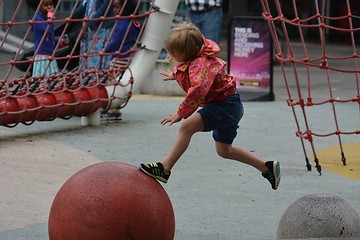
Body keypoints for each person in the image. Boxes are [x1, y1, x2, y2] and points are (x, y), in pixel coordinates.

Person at [139, 22, 281, 190]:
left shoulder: (201, 65)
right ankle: (267, 167)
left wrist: (180, 113)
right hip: (230, 105)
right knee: (224, 150)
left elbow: (198, 89)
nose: (170, 58)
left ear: (184, 53)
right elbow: (190, 69)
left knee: (186, 127)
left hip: (223, 106)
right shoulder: (200, 51)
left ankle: (165, 168)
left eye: (173, 54)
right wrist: (175, 75)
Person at [101, 0, 141, 120]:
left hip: (119, 56)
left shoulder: (123, 23)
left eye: (117, 8)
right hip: (127, 56)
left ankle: (111, 108)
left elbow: (117, 40)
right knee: (119, 81)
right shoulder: (133, 22)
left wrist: (105, 50)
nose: (115, 10)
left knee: (111, 82)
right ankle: (116, 109)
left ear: (125, 9)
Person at [29, 0, 68, 83]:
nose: (49, 7)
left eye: (51, 5)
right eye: (46, 5)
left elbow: (50, 37)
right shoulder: (38, 18)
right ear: (39, 6)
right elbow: (48, 30)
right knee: (42, 80)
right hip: (42, 55)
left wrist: (60, 42)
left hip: (50, 54)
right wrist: (50, 17)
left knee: (52, 79)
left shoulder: (46, 18)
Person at [78, 0, 115, 73]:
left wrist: (91, 23)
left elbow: (106, 4)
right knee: (88, 56)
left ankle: (97, 79)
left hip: (101, 26)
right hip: (90, 25)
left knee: (99, 57)